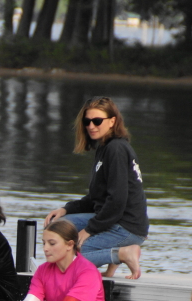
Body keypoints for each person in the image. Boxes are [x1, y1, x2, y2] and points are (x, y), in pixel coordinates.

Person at [45, 96, 148, 280]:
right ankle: (114, 260)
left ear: (112, 121)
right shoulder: (104, 147)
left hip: (126, 226)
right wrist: (65, 209)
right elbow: (95, 199)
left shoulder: (116, 149)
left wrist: (89, 230)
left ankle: (122, 254)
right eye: (87, 121)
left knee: (68, 256)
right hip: (113, 219)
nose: (91, 126)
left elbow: (116, 202)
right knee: (58, 227)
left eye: (97, 121)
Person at [0, 218, 108, 301]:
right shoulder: (42, 270)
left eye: (52, 243)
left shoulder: (87, 271)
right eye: (44, 243)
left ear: (69, 245)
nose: (45, 248)